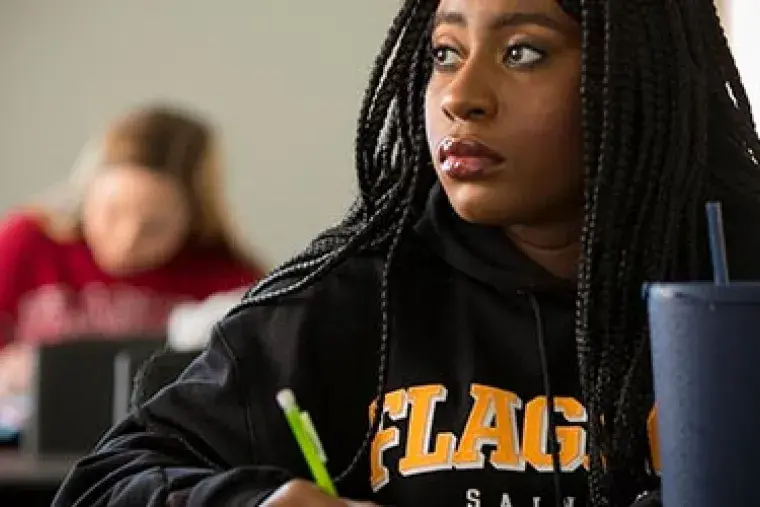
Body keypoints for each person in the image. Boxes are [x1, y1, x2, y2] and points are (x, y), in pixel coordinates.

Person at [51, 0, 760, 506]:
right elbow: (102, 485)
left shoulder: (733, 284)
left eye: (523, 52)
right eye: (445, 53)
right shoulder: (352, 300)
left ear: (641, 79)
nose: (461, 95)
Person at [0, 105, 264, 397]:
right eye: (112, 213)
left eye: (154, 226)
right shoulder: (27, 241)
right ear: (86, 193)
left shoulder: (231, 284)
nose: (127, 240)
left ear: (194, 218)